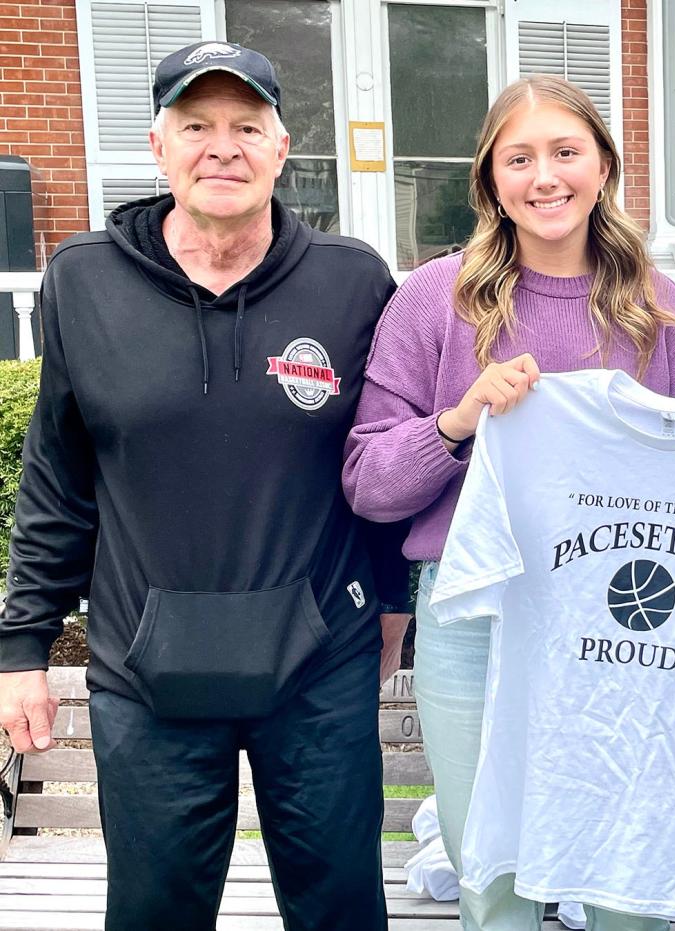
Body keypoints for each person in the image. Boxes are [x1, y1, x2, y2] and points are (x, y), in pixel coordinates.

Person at [0, 41, 411, 930]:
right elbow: (58, 484)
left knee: (342, 907)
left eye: (245, 126)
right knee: (153, 913)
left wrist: (391, 597)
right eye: (196, 126)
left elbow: (376, 454)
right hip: (146, 671)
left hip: (318, 660)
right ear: (158, 146)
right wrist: (22, 649)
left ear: (281, 146)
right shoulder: (83, 281)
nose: (221, 147)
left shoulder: (351, 280)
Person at [342, 75, 675, 931]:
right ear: (491, 179)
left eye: (566, 152)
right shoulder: (436, 298)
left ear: (604, 166)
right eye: (520, 158)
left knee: (625, 866)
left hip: (623, 614)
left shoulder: (659, 307)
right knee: (493, 871)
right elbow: (368, 481)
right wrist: (459, 421)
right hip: (475, 615)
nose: (545, 177)